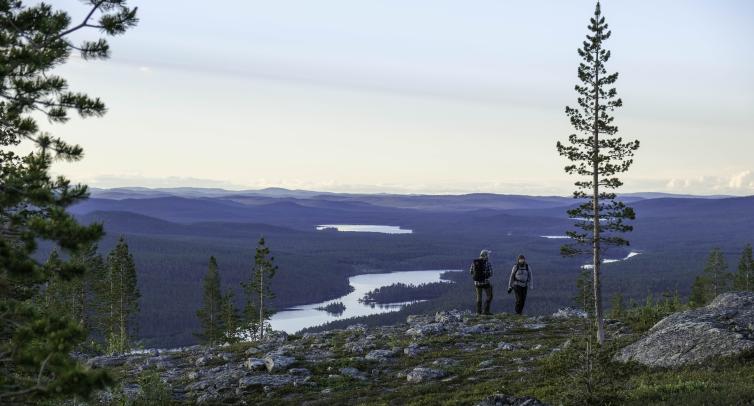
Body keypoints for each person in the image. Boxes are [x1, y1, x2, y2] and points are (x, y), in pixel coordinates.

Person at [469, 249, 494, 315]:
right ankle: (486, 311)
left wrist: (477, 277)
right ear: (486, 255)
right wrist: (485, 276)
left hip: (477, 283)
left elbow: (471, 271)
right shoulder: (487, 263)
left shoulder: (475, 262)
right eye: (488, 254)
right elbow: (491, 273)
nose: (488, 256)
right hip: (485, 282)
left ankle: (478, 312)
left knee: (479, 297)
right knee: (489, 296)